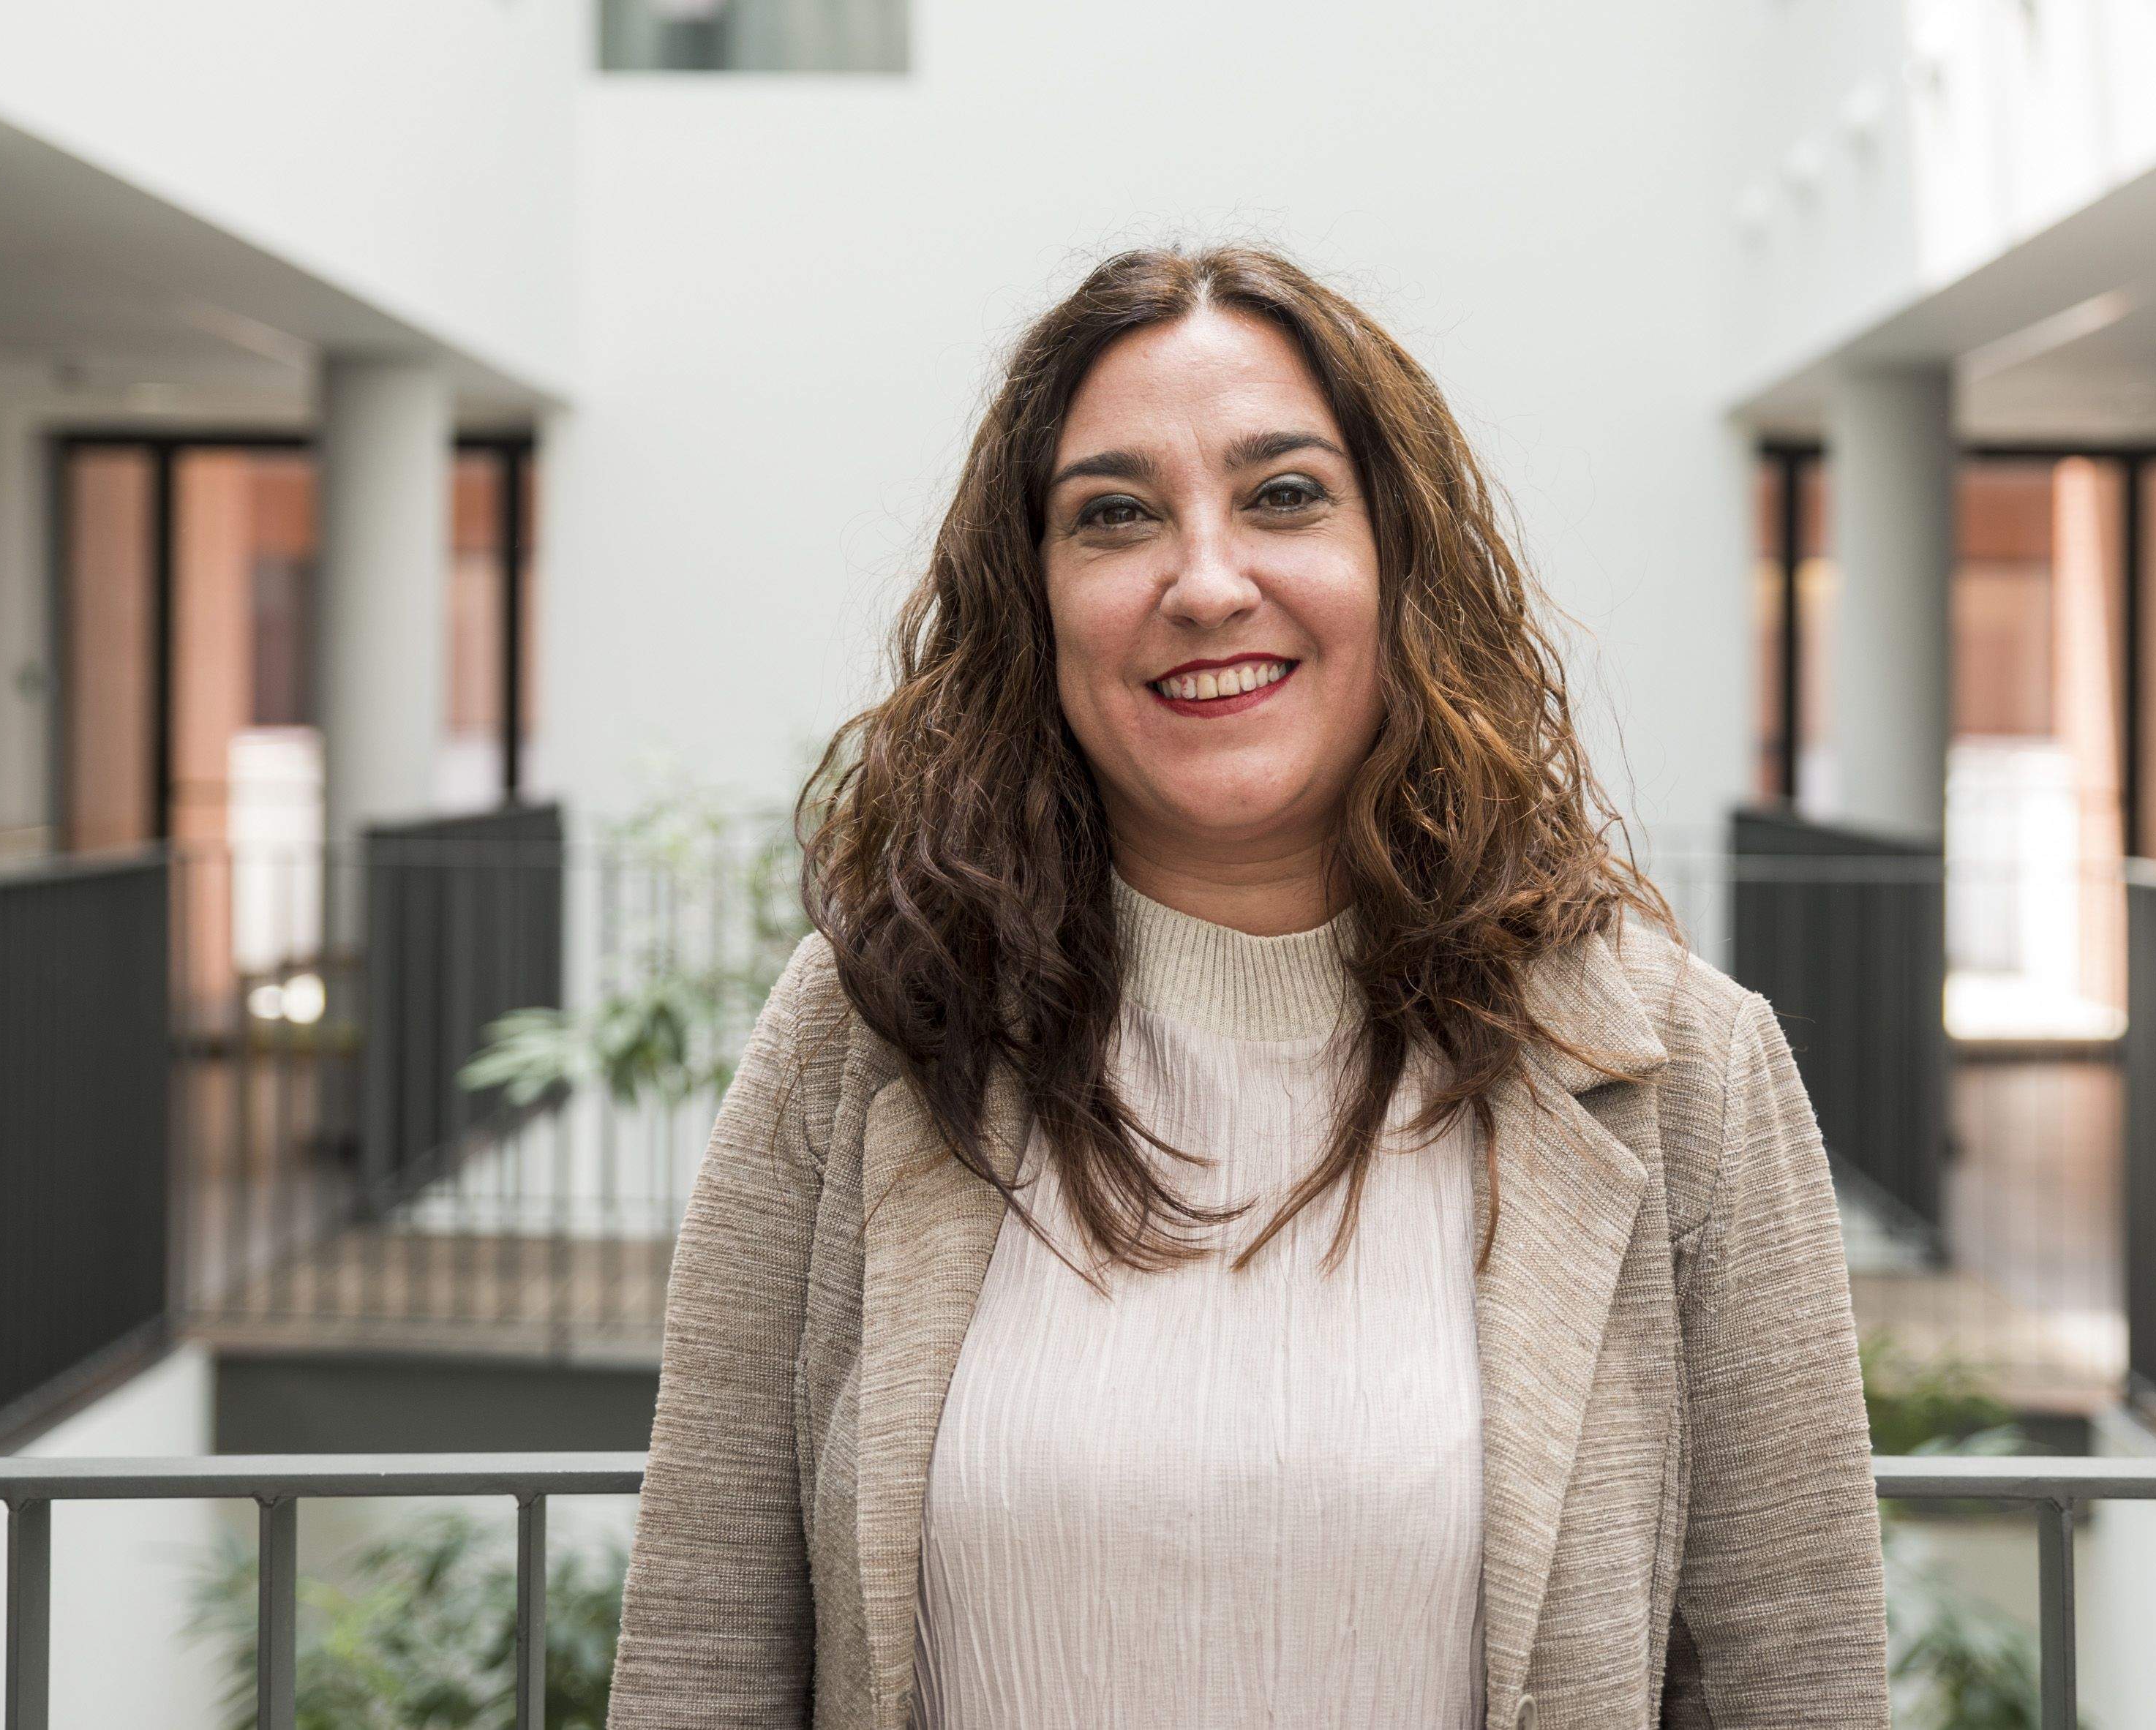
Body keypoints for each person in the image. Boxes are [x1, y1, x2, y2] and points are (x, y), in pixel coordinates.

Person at [605, 242, 1888, 1730]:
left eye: (1282, 494)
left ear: (1400, 562)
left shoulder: (1685, 1069)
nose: (1205, 582)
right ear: (1032, 602)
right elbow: (699, 1672)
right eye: (1112, 516)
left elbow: (1794, 1686)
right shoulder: (863, 1033)